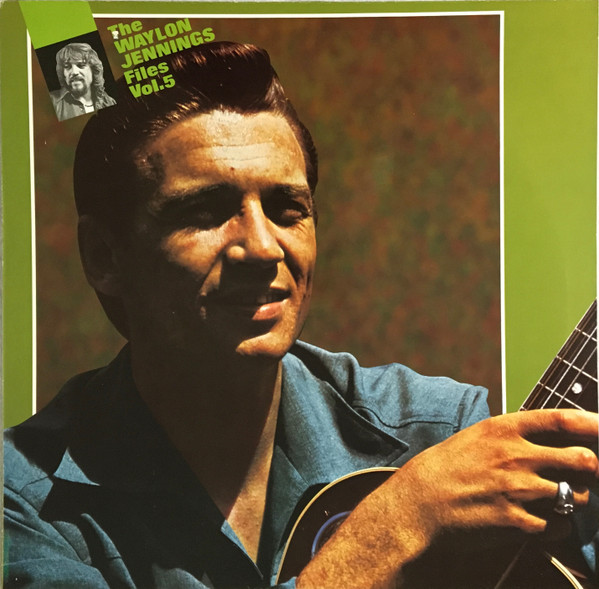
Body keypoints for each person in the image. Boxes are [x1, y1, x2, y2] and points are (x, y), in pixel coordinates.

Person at [5, 42, 598, 588]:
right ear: (104, 257)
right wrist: (395, 528)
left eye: (287, 208)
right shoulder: (21, 502)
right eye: (206, 211)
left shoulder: (440, 435)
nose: (263, 247)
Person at [50, 42, 116, 121]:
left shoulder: (109, 101)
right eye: (67, 67)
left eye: (81, 65)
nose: (74, 72)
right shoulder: (52, 102)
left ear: (93, 70)